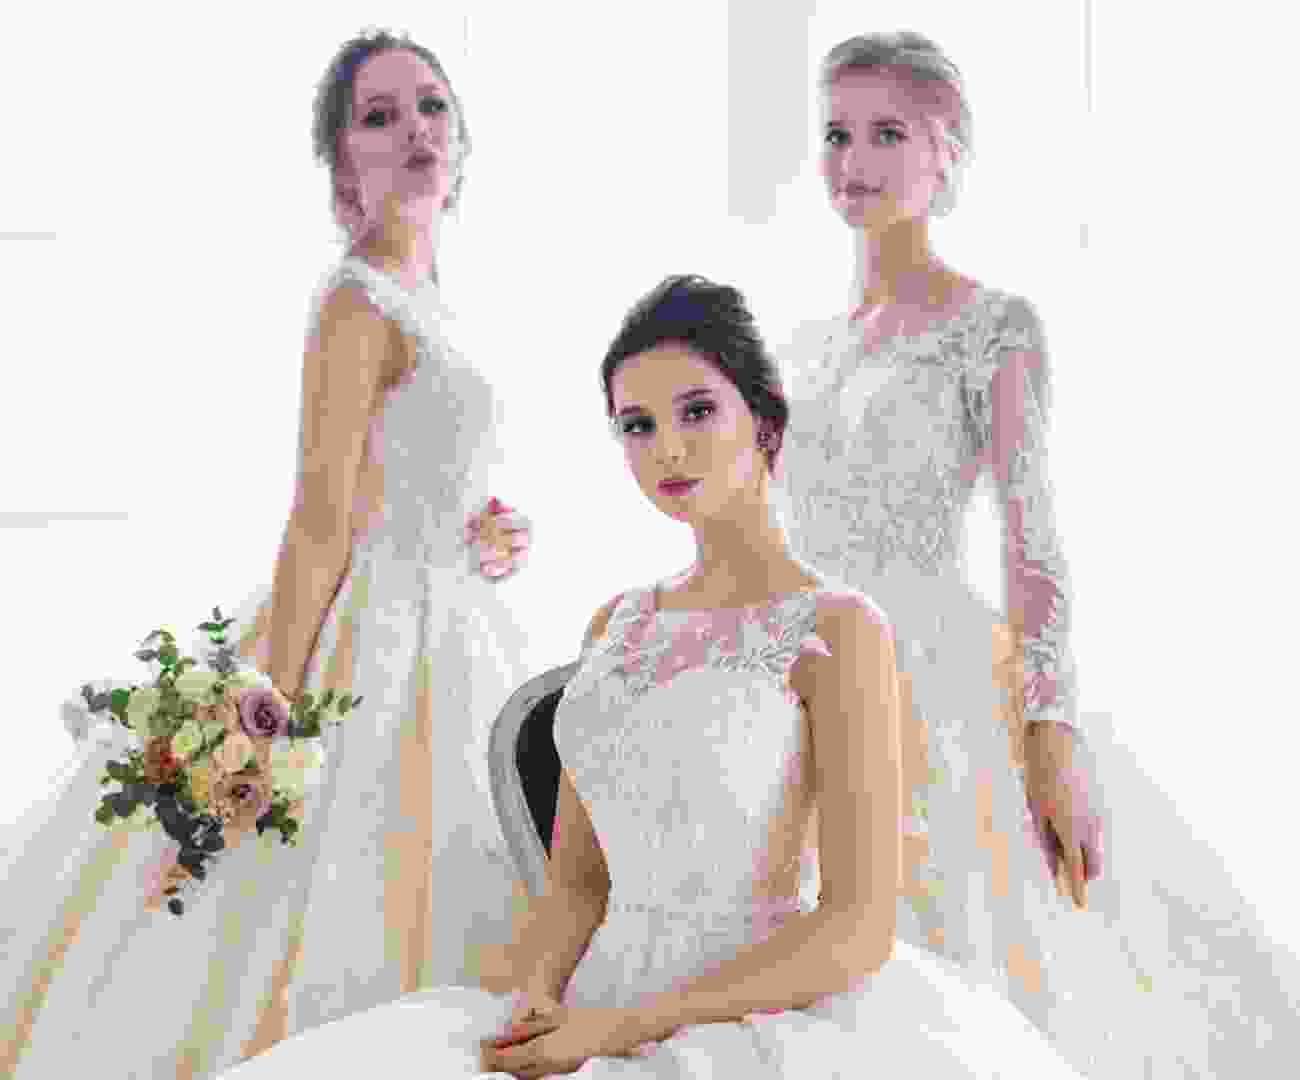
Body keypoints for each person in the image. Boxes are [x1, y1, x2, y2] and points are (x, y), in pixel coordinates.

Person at [212, 274, 1086, 1078]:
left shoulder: (838, 628)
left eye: (697, 411)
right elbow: (578, 886)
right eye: (637, 425)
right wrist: (532, 1000)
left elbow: (856, 929)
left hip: (753, 1016)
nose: (668, 447)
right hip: (592, 1006)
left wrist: (626, 1028)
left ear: (764, 422)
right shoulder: (616, 626)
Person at [0, 28, 537, 1079]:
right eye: (379, 116)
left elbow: (403, 475)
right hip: (371, 640)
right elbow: (320, 521)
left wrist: (476, 526)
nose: (415, 130)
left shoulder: (431, 302)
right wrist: (259, 721)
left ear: (464, 138)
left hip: (449, 625)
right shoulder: (357, 303)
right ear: (341, 166)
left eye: (431, 106)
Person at [771, 30, 1300, 1077]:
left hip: (931, 674)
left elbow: (1032, 537)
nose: (853, 160)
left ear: (947, 154)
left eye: (888, 133)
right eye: (836, 134)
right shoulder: (802, 346)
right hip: (807, 672)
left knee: (967, 957)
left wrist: (1050, 728)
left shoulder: (992, 326)